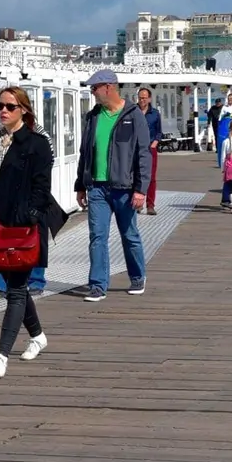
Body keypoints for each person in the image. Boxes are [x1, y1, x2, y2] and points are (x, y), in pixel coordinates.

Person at [0, 87, 66, 377]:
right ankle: (37, 336)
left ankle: (1, 356)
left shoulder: (36, 143)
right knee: (18, 286)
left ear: (23, 109)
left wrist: (31, 217)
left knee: (14, 290)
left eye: (10, 106)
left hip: (24, 226)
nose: (3, 111)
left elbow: (42, 187)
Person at [75, 69, 152, 301]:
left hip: (125, 187)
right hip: (97, 187)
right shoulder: (93, 117)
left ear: (108, 87)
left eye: (94, 88)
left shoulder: (133, 114)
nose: (92, 92)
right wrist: (80, 184)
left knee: (129, 235)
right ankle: (98, 285)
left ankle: (138, 277)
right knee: (97, 236)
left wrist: (141, 189)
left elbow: (143, 154)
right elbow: (85, 153)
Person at [137, 87, 163, 215]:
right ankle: (137, 204)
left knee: (151, 177)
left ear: (149, 98)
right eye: (140, 97)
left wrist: (155, 143)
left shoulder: (155, 113)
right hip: (135, 149)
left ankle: (150, 205)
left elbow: (159, 132)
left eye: (144, 97)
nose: (142, 100)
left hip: (150, 148)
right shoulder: (133, 111)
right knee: (136, 176)